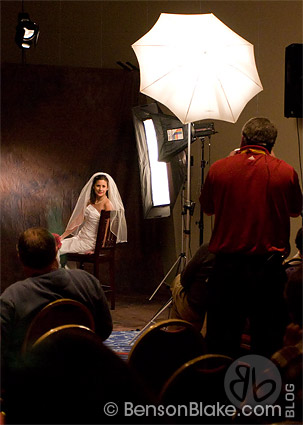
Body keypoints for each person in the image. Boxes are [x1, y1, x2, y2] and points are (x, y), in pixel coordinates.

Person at [200, 117, 302, 358]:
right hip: (267, 270)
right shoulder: (286, 171)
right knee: (267, 342)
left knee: (220, 342)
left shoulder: (219, 168)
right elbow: (296, 210)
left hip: (226, 268)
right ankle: (263, 392)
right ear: (271, 144)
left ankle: (219, 392)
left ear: (242, 139)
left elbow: (208, 207)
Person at [1, 227, 113, 373]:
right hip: (84, 379)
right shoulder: (88, 282)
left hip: (33, 385)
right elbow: (104, 330)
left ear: (20, 258)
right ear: (55, 252)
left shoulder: (12, 298)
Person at [59, 172, 127, 256]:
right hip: (80, 238)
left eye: (103, 186)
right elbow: (77, 221)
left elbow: (107, 229)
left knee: (56, 250)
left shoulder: (107, 204)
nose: (100, 189)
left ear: (107, 188)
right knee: (56, 246)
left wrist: (97, 249)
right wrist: (62, 236)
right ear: (93, 187)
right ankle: (68, 269)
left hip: (91, 242)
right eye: (98, 186)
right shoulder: (89, 202)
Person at [170, 243, 215, 332]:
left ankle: (173, 335)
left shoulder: (209, 249)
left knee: (178, 281)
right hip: (228, 312)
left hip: (196, 309)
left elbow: (184, 280)